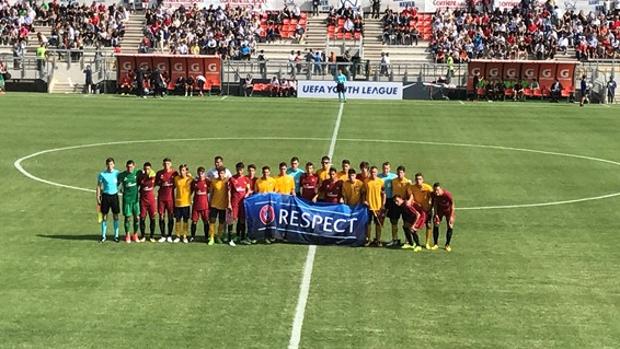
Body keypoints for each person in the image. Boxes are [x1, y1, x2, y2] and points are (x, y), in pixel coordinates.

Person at [96, 158, 120, 243]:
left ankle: (116, 236)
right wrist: (98, 197)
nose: (110, 166)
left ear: (114, 164)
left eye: (111, 164)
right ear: (106, 165)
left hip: (114, 196)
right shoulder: (102, 174)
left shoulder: (117, 173)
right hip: (105, 197)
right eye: (108, 164)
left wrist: (120, 189)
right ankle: (103, 236)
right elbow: (98, 186)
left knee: (116, 216)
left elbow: (121, 182)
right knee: (104, 216)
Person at [407, 172, 433, 249]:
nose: (418, 181)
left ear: (423, 180)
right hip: (418, 210)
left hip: (427, 209)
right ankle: (416, 242)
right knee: (415, 225)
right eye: (417, 179)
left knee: (428, 225)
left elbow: (432, 197)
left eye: (420, 179)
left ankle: (427, 243)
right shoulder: (412, 187)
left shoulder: (428, 188)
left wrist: (430, 204)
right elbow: (411, 196)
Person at [228, 162, 251, 244]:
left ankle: (241, 237)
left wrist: (247, 194)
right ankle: (230, 238)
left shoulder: (246, 179)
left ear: (243, 170)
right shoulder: (232, 179)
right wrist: (229, 203)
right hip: (234, 203)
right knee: (231, 220)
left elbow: (248, 190)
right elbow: (229, 192)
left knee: (242, 220)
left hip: (243, 203)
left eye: (241, 170)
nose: (239, 171)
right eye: (238, 170)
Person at [118, 160, 140, 243]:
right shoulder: (122, 175)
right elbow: (116, 183)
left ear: (134, 166)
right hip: (127, 200)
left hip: (136, 200)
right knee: (127, 218)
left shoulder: (138, 173)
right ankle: (127, 235)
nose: (129, 168)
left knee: (137, 218)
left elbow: (148, 173)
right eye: (128, 167)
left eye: (131, 167)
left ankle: (135, 234)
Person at [156, 158, 178, 243]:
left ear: (171, 164)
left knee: (170, 216)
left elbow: (177, 183)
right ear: (163, 164)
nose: (166, 165)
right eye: (165, 163)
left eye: (168, 163)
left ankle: (169, 235)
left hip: (170, 199)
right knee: (161, 216)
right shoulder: (159, 173)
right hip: (161, 199)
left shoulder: (174, 173)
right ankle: (162, 235)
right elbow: (156, 183)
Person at [363, 166, 386, 247]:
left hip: (378, 207)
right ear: (370, 172)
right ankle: (368, 239)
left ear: (377, 172)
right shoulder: (366, 181)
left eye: (375, 172)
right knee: (367, 224)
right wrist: (364, 201)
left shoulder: (381, 182)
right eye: (372, 172)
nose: (373, 173)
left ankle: (378, 240)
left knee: (378, 224)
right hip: (368, 207)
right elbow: (363, 192)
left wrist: (383, 205)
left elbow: (383, 194)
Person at [254, 166, 277, 243]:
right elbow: (255, 193)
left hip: (270, 205)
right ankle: (258, 236)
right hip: (261, 205)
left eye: (267, 172)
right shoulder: (258, 181)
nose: (265, 174)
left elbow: (276, 191)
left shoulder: (273, 181)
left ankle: (270, 236)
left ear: (269, 172)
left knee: (270, 220)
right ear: (262, 172)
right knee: (261, 220)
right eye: (264, 172)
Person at [378, 162, 399, 247]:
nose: (385, 170)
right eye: (384, 168)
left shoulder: (394, 177)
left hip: (392, 201)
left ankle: (395, 239)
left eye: (387, 168)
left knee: (394, 221)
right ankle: (378, 240)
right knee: (379, 221)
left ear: (390, 169)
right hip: (382, 201)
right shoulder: (379, 177)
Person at [208, 167, 230, 246]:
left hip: (223, 205)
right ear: (218, 174)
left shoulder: (227, 181)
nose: (221, 175)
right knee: (212, 221)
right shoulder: (214, 181)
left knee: (221, 222)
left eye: (222, 173)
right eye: (220, 173)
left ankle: (219, 237)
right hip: (214, 204)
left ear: (225, 173)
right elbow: (211, 193)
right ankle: (211, 237)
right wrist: (209, 202)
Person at [432, 183, 455, 252]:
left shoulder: (447, 194)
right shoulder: (435, 195)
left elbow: (452, 204)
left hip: (448, 211)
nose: (436, 192)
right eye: (435, 190)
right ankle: (435, 244)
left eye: (437, 190)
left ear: (441, 189)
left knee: (450, 226)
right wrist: (435, 214)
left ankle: (447, 245)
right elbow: (435, 204)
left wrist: (451, 216)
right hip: (440, 211)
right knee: (436, 224)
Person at [137, 162, 157, 242]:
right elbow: (137, 185)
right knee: (142, 218)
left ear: (150, 169)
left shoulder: (153, 176)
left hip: (151, 201)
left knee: (152, 218)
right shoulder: (141, 177)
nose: (147, 170)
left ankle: (152, 236)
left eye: (148, 169)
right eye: (145, 169)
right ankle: (143, 236)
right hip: (143, 201)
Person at [173, 164, 193, 243]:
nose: (182, 172)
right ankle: (177, 235)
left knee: (185, 220)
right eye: (181, 170)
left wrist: (190, 175)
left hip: (186, 203)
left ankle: (185, 236)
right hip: (178, 203)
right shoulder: (176, 179)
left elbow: (195, 183)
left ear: (186, 171)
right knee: (177, 220)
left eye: (184, 170)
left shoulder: (190, 179)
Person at [190, 167, 209, 243]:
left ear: (204, 173)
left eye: (202, 173)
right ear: (198, 173)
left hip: (205, 205)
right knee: (194, 221)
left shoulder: (207, 181)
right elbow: (190, 191)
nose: (201, 175)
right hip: (196, 205)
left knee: (206, 221)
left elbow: (211, 191)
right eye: (199, 173)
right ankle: (192, 236)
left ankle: (206, 237)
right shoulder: (194, 182)